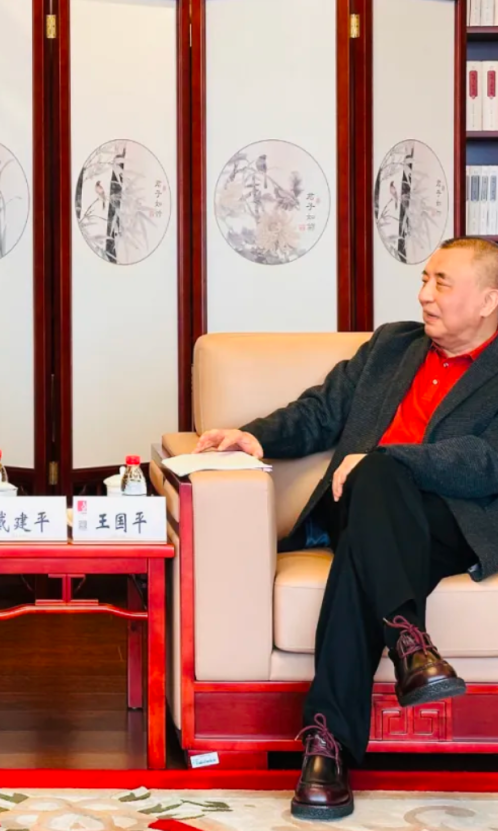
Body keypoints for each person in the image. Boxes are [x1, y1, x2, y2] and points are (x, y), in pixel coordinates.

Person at [196, 237, 498, 821]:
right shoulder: (391, 346)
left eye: (442, 283)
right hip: (356, 503)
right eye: (424, 279)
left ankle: (327, 746)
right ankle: (409, 647)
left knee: (368, 528)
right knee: (373, 488)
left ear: (488, 300)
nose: (424, 295)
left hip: (450, 522)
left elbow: (488, 462)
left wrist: (390, 459)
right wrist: (253, 435)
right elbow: (321, 410)